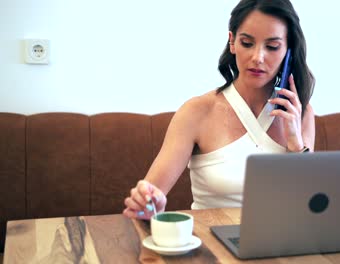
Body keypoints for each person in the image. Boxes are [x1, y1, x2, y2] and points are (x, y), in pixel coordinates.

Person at [123, 0, 315, 219]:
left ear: (288, 51)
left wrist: (295, 143)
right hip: (211, 246)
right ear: (232, 42)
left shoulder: (301, 113)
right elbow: (149, 199)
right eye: (247, 43)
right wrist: (148, 203)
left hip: (280, 246)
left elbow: (308, 209)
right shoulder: (197, 111)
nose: (258, 57)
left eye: (272, 47)